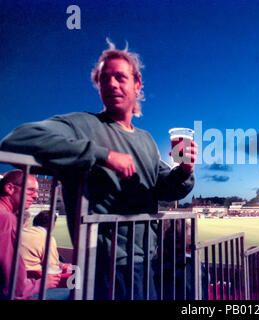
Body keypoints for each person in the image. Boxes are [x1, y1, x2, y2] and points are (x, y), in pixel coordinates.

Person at [0, 39, 197, 300]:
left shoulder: (147, 140)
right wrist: (102, 155)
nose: (112, 84)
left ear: (137, 84)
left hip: (146, 262)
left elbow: (167, 188)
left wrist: (184, 170)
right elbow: (16, 141)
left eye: (119, 77)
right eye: (104, 79)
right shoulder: (82, 124)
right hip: (103, 265)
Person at [0, 170, 63, 299]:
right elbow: (15, 289)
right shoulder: (6, 219)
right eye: (31, 190)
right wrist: (43, 283)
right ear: (10, 188)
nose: (36, 196)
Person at [21, 210, 71, 274]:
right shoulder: (47, 239)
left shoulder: (21, 233)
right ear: (52, 225)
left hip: (15, 275)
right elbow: (53, 268)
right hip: (34, 278)